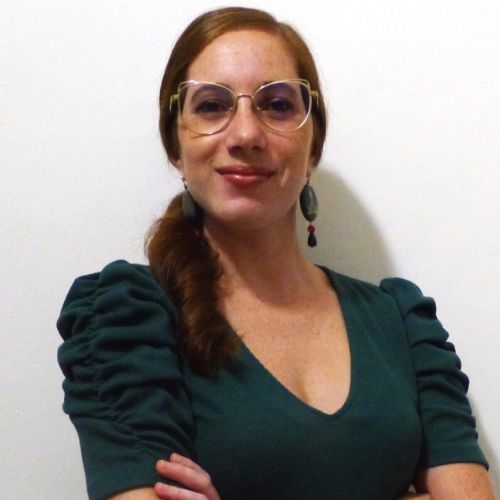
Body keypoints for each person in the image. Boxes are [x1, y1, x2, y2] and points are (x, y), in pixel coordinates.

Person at [56, 7, 494, 500]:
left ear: (313, 147)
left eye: (278, 105)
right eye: (212, 106)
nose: (245, 135)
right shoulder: (126, 318)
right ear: (175, 145)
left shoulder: (401, 323)